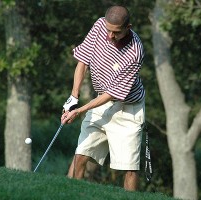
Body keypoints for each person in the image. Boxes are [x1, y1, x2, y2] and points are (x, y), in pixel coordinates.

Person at [61, 5, 145, 191]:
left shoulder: (135, 51)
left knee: (129, 168)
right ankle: (68, 194)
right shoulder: (100, 25)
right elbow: (83, 61)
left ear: (128, 27)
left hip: (127, 110)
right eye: (108, 30)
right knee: (80, 155)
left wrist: (80, 110)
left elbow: (112, 94)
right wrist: (73, 97)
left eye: (115, 32)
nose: (109, 36)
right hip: (100, 103)